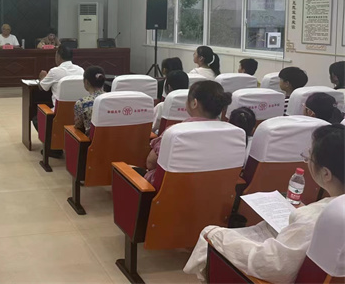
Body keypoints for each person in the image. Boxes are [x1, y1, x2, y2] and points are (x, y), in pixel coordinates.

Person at [184, 123, 345, 283]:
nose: (307, 161)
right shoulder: (331, 208)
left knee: (210, 234)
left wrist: (216, 236)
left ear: (326, 174)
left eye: (309, 157)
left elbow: (273, 265)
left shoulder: (316, 218)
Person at [144, 81, 232, 186]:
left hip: (172, 189)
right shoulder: (231, 133)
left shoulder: (175, 132)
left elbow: (150, 163)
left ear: (194, 103)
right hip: (212, 189)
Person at [73, 66, 106, 137]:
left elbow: (78, 127)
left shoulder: (81, 103)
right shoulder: (112, 99)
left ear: (86, 82)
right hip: (114, 140)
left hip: (92, 141)